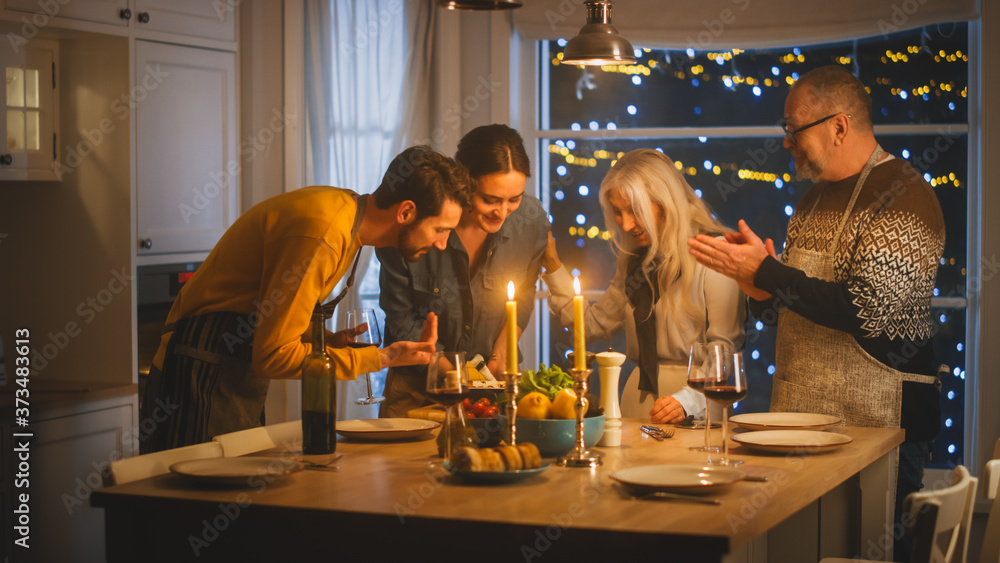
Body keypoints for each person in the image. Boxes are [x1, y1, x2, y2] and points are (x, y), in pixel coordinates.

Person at [686, 65, 944, 562]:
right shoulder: (811, 201)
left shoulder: (905, 197)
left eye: (793, 128)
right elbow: (798, 314)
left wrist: (771, 275)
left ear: (839, 126)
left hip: (880, 430)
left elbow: (871, 314)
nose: (786, 142)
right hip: (803, 427)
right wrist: (759, 290)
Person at [140, 146, 473, 453]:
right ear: (406, 212)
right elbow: (272, 356)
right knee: (189, 510)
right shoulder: (324, 232)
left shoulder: (345, 216)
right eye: (440, 229)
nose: (443, 244)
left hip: (228, 366)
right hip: (197, 371)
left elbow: (271, 317)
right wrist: (382, 358)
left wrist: (324, 341)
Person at [543, 148, 746, 424]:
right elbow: (590, 327)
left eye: (635, 210)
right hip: (635, 403)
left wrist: (687, 401)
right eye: (617, 211)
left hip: (698, 408)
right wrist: (554, 267)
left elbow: (724, 350)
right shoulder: (634, 261)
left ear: (666, 201)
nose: (625, 224)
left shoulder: (716, 253)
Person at [377, 124, 551, 418]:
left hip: (495, 388)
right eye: (490, 199)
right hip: (417, 390)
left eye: (514, 199)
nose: (503, 212)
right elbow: (401, 318)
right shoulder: (415, 223)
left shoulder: (532, 221)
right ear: (463, 179)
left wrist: (501, 353)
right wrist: (454, 371)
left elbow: (522, 293)